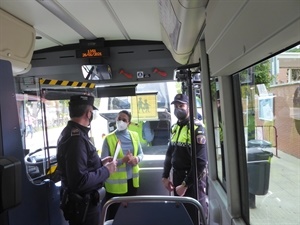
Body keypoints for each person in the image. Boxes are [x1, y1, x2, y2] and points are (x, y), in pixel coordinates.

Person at [56, 94, 117, 225]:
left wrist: (101, 163)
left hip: (84, 205)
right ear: (88, 114)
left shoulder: (72, 133)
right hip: (84, 208)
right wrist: (106, 170)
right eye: (91, 112)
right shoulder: (76, 138)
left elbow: (80, 167)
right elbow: (79, 181)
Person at [162, 93, 208, 224]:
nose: (178, 109)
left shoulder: (197, 129)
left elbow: (201, 162)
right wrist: (165, 176)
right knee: (180, 215)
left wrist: (185, 184)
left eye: (181, 105)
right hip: (177, 178)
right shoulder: (175, 129)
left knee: (195, 217)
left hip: (193, 181)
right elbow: (169, 154)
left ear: (189, 107)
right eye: (176, 106)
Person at [101, 110, 144, 219]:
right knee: (115, 216)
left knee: (130, 215)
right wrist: (122, 160)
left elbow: (141, 153)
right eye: (119, 119)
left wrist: (136, 159)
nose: (121, 122)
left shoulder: (134, 136)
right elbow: (104, 162)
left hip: (132, 183)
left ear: (129, 123)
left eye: (124, 120)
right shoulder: (108, 139)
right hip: (114, 186)